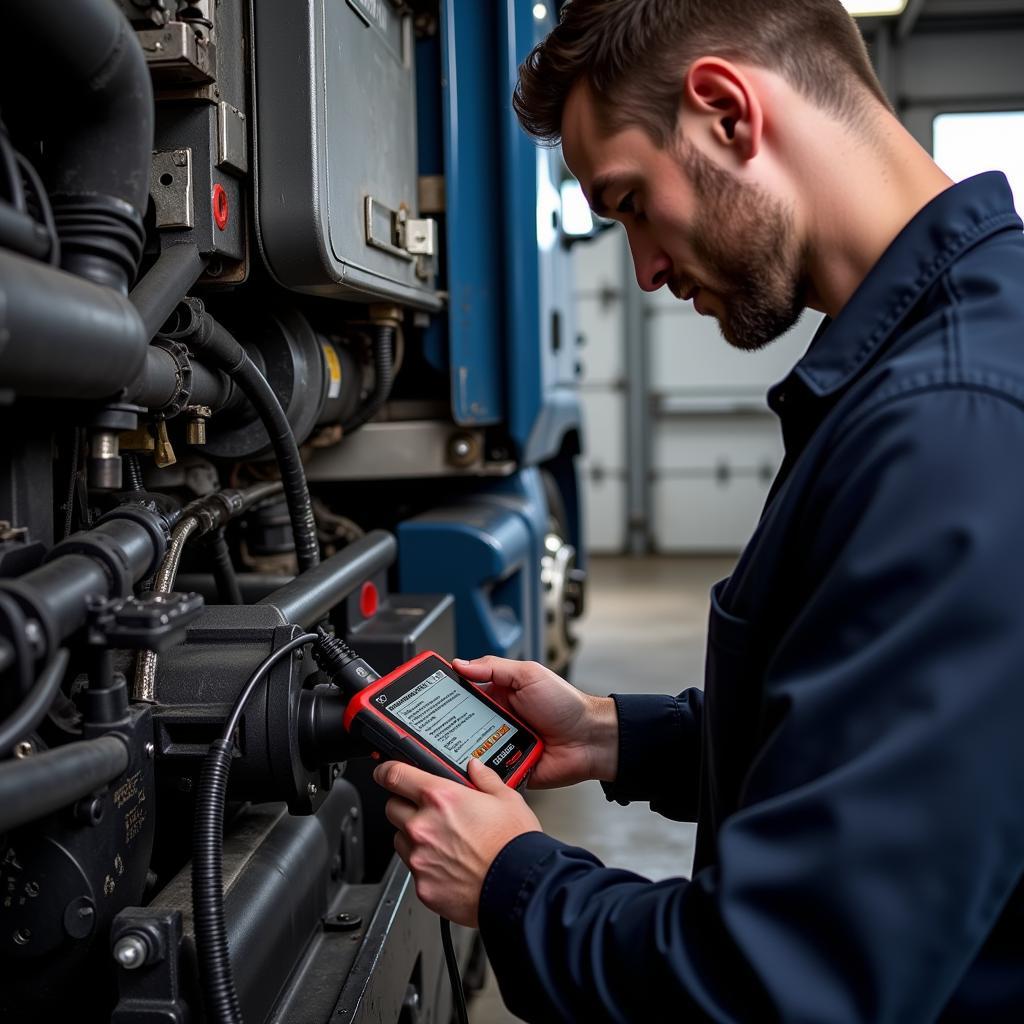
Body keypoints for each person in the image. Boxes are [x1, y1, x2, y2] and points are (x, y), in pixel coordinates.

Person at [374, 0, 1024, 1019]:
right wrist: (615, 736)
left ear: (727, 111)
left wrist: (513, 878)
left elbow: (778, 987)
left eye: (630, 202)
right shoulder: (938, 362)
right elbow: (876, 749)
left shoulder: (954, 428)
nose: (643, 271)